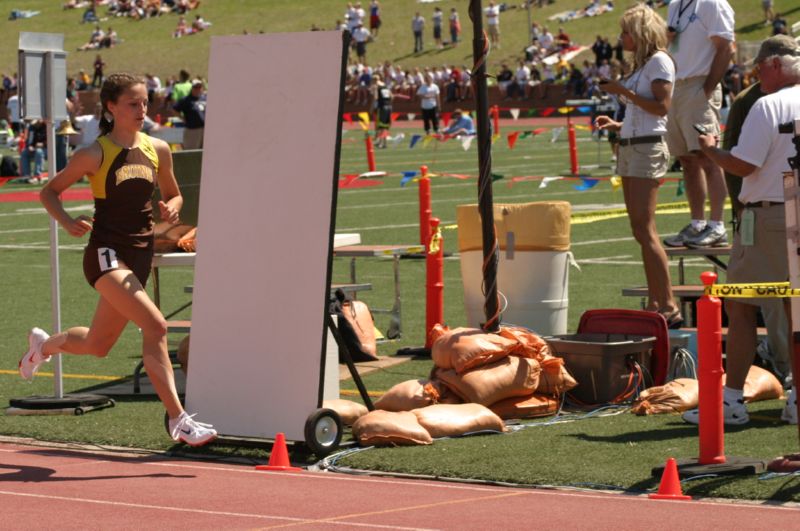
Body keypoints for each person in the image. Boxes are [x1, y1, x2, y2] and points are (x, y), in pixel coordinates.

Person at [18, 72, 217, 446]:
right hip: (105, 254)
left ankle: (42, 346)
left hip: (139, 254)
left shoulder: (157, 149)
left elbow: (176, 195)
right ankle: (179, 418)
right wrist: (67, 221)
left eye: (145, 102)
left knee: (98, 344)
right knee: (156, 327)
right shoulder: (93, 153)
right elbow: (49, 192)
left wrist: (171, 209)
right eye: (133, 103)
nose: (143, 109)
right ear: (111, 107)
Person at [681, 35, 800, 428]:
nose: (756, 76)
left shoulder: (768, 106)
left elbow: (745, 165)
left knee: (742, 305)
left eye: (761, 68)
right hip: (794, 207)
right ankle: (796, 397)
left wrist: (711, 149)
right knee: (795, 306)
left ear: (776, 65)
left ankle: (731, 400)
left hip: (768, 214)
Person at [594, 4, 681, 329]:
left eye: (626, 31)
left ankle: (668, 303)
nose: (621, 38)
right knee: (638, 229)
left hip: (647, 149)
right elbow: (645, 112)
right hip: (633, 145)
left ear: (640, 33)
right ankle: (658, 300)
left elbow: (661, 108)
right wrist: (618, 124)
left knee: (645, 228)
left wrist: (622, 91)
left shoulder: (659, 61)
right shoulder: (645, 64)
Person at [662, 0, 734, 248]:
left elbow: (726, 48)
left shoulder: (711, 3)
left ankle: (717, 226)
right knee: (687, 160)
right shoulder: (674, 5)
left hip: (699, 83)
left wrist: (707, 88)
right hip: (676, 86)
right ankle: (697, 224)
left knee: (708, 157)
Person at [173, 79, 206, 149]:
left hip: (204, 130)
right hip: (192, 130)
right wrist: (182, 118)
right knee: (191, 151)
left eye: (199, 87)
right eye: (195, 87)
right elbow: (175, 109)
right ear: (192, 88)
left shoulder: (204, 98)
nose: (197, 89)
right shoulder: (186, 100)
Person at [371, 73, 392, 148]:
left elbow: (376, 98)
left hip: (382, 107)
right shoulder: (385, 86)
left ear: (374, 80)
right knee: (385, 126)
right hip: (389, 106)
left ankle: (381, 143)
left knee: (380, 126)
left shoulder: (376, 86)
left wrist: (372, 108)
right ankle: (383, 143)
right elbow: (391, 96)